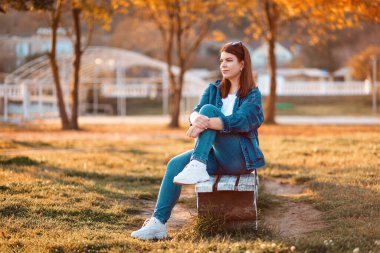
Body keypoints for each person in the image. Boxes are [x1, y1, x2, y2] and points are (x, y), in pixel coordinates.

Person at [131, 41, 265, 240]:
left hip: (239, 158)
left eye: (229, 60)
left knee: (209, 111)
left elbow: (243, 121)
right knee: (175, 164)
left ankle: (198, 162)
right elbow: (195, 111)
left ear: (243, 64)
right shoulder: (214, 89)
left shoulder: (252, 95)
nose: (223, 65)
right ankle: (158, 223)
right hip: (217, 156)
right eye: (221, 61)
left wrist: (207, 122)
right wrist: (196, 120)